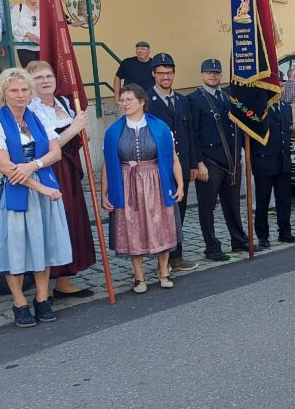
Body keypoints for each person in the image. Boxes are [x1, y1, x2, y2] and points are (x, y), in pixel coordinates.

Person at [0, 68, 70, 328]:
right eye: (14, 90)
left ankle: (42, 297)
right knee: (16, 248)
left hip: (43, 187)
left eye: (23, 90)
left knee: (43, 244)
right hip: (17, 194)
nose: (20, 95)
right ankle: (19, 301)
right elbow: (5, 167)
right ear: (3, 94)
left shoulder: (38, 119)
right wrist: (41, 187)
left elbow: (56, 153)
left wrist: (33, 165)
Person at [101, 84, 183, 292]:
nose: (124, 103)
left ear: (141, 102)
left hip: (156, 181)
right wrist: (104, 193)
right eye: (122, 100)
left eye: (129, 99)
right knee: (132, 227)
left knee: (162, 224)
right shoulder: (113, 132)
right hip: (127, 183)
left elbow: (172, 157)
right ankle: (139, 276)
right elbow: (107, 164)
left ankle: (163, 270)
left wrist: (180, 184)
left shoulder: (160, 127)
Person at [27, 61, 95, 298]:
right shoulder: (31, 110)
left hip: (70, 168)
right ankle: (45, 286)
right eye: (38, 78)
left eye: (49, 76)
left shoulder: (64, 103)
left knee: (73, 218)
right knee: (55, 221)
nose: (45, 81)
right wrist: (74, 129)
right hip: (51, 171)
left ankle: (65, 281)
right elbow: (46, 147)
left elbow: (75, 136)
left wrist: (81, 133)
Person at [188, 59, 249, 261]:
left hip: (231, 161)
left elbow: (241, 122)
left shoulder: (228, 96)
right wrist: (198, 163)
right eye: (209, 72)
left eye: (216, 72)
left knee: (232, 204)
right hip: (209, 163)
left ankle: (239, 240)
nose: (213, 76)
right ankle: (212, 247)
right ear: (202, 74)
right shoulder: (194, 99)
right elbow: (193, 135)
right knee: (207, 207)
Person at [146, 53, 198, 271]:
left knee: (180, 211)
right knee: (161, 214)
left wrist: (194, 164)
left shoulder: (182, 100)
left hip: (182, 165)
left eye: (169, 73)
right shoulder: (146, 100)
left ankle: (176, 256)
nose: (165, 77)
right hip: (159, 166)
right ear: (154, 75)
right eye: (161, 73)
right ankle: (162, 259)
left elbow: (189, 134)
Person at [251, 90, 295, 248]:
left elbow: (287, 132)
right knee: (262, 202)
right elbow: (250, 136)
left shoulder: (286, 107)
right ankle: (263, 236)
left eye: (282, 85)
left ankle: (285, 232)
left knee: (284, 200)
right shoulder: (259, 108)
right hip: (264, 162)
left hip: (283, 161)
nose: (279, 89)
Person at [11, 0, 41, 67]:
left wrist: (39, 6)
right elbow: (13, 27)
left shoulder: (42, 9)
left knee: (42, 71)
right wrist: (28, 34)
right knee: (30, 72)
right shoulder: (18, 8)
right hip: (25, 47)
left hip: (42, 46)